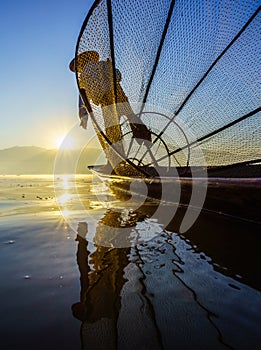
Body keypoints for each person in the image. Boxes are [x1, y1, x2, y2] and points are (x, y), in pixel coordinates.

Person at [69, 50, 151, 143]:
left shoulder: (82, 80)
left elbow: (83, 101)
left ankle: (118, 153)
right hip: (119, 97)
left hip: (106, 104)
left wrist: (83, 117)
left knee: (112, 131)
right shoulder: (103, 64)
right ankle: (144, 138)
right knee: (131, 117)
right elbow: (118, 76)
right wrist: (111, 67)